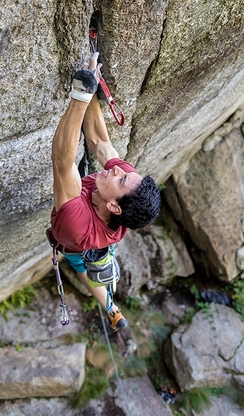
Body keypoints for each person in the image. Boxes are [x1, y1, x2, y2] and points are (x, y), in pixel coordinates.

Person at [50, 52, 161, 330]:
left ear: (115, 206)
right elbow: (99, 140)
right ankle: (112, 308)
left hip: (78, 240)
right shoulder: (127, 181)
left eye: (122, 180)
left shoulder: (78, 225)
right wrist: (93, 84)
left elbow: (63, 162)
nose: (119, 170)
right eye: (126, 173)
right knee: (93, 266)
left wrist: (79, 95)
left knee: (81, 265)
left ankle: (111, 307)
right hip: (104, 234)